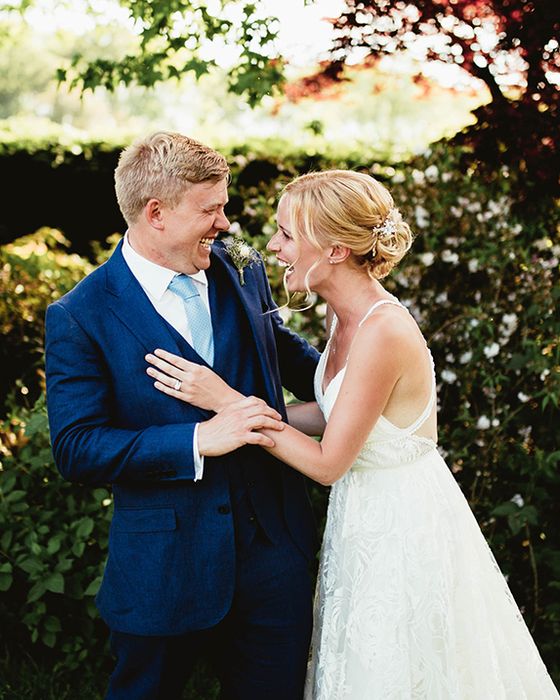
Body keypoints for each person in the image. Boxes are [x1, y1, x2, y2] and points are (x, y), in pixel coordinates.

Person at [145, 169, 560, 699]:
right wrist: (220, 425)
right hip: (363, 514)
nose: (272, 247)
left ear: (336, 249)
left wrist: (229, 401)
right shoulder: (345, 319)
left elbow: (326, 463)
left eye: (288, 235)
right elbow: (332, 416)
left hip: (403, 523)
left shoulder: (382, 330)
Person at [45, 132, 321, 699]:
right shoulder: (81, 314)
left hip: (274, 558)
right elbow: (77, 447)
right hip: (163, 569)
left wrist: (368, 373)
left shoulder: (240, 270)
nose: (224, 224)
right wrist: (196, 439)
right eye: (210, 210)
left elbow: (282, 349)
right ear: (156, 214)